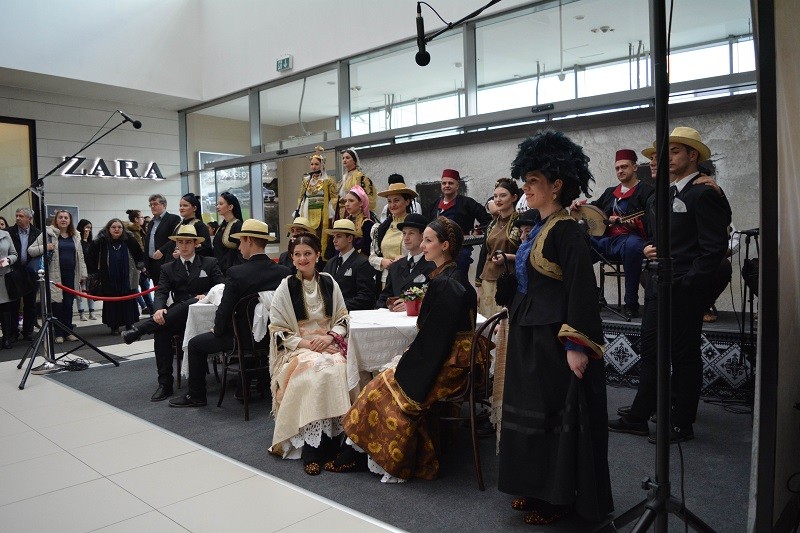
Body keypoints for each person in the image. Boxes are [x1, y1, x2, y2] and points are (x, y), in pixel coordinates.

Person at [497, 131, 612, 525]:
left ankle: (556, 498)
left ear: (557, 185)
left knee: (550, 417)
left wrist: (576, 345)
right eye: (526, 181)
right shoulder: (540, 227)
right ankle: (534, 487)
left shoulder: (567, 231)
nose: (526, 188)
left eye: (533, 181)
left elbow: (581, 289)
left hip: (552, 339)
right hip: (530, 335)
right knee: (530, 414)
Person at [329, 216, 477, 483]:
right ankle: (360, 454)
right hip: (450, 357)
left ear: (444, 246)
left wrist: (406, 372)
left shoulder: (446, 283)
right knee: (381, 380)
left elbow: (436, 343)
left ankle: (371, 457)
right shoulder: (450, 276)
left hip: (448, 364)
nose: (423, 245)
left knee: (377, 388)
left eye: (428, 240)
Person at [609, 127, 732, 444]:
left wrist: (689, 286)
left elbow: (714, 250)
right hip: (658, 285)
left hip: (684, 287)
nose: (667, 158)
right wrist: (649, 248)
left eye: (675, 151)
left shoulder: (705, 193)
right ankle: (640, 415)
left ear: (693, 155)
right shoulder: (661, 195)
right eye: (666, 153)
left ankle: (681, 422)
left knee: (684, 354)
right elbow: (657, 235)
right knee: (651, 351)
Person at [169, 220, 290, 408]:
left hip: (242, 341)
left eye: (240, 241)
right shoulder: (283, 272)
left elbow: (224, 310)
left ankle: (196, 395)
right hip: (274, 338)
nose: (239, 246)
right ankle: (246, 385)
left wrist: (217, 330)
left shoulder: (237, 273)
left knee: (194, 344)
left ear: (249, 240)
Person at [267, 232, 351, 476]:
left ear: (317, 255)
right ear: (292, 258)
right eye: (297, 254)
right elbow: (278, 329)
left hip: (329, 343)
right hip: (299, 347)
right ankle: (311, 449)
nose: (302, 259)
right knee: (315, 372)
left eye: (307, 253)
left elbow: (343, 317)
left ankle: (333, 442)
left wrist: (330, 337)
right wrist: (308, 344)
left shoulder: (329, 282)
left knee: (340, 369)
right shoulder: (286, 287)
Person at [122, 225, 224, 401]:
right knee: (161, 329)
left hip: (204, 318)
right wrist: (158, 308)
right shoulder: (168, 268)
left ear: (196, 244)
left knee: (191, 303)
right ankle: (165, 384)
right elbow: (161, 292)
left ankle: (141, 329)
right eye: (180, 242)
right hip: (178, 317)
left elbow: (221, 286)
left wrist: (207, 295)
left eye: (188, 242)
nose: (183, 246)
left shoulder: (209, 263)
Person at [573, 149, 654, 318]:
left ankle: (631, 302)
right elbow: (595, 209)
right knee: (579, 244)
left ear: (635, 167)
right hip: (607, 240)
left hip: (631, 239)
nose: (620, 171)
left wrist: (634, 224)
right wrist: (579, 206)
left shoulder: (647, 191)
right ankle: (593, 294)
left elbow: (652, 219)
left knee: (633, 247)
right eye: (617, 168)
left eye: (624, 167)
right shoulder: (611, 192)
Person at [29, 210, 87, 344]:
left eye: (66, 217)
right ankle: (59, 333)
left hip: (71, 275)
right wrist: (46, 247)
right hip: (55, 275)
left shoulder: (76, 235)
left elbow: (80, 256)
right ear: (56, 220)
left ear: (70, 220)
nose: (63, 219)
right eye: (60, 217)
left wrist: (83, 274)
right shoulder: (48, 234)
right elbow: (31, 250)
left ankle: (68, 332)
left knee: (68, 304)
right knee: (57, 305)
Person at [424, 169, 491, 276]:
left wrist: (478, 231)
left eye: (450, 183)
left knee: (458, 279)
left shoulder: (467, 203)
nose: (447, 186)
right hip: (438, 250)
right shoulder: (434, 205)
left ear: (457, 185)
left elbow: (487, 219)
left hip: (461, 250)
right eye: (444, 183)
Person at [85, 218, 145, 335]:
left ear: (123, 229)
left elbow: (139, 255)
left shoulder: (130, 240)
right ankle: (114, 326)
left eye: (119, 227)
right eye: (113, 227)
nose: (116, 229)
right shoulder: (101, 242)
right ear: (108, 229)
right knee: (112, 302)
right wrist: (94, 273)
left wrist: (140, 267)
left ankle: (129, 323)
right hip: (108, 278)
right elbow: (91, 257)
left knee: (128, 299)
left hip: (127, 277)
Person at [475, 178, 522, 317]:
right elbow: (484, 254)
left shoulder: (520, 222)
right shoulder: (491, 224)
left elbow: (528, 253)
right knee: (488, 322)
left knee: (505, 322)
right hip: (488, 279)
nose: (498, 199)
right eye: (495, 196)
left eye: (503, 195)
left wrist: (508, 257)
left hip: (510, 279)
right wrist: (479, 285)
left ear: (514, 197)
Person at [376, 213, 435, 310]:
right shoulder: (395, 266)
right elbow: (384, 297)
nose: (406, 238)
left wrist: (413, 304)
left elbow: (436, 299)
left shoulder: (433, 266)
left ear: (422, 236)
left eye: (411, 233)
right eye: (404, 233)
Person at [369, 182, 418, 289]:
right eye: (389, 201)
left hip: (409, 279)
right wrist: (382, 261)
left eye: (396, 200)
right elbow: (372, 257)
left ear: (407, 201)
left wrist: (406, 259)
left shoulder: (416, 226)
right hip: (385, 281)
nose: (392, 205)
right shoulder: (380, 229)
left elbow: (424, 252)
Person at [322, 219, 377, 311]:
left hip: (352, 313)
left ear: (350, 238)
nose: (334, 240)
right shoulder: (330, 262)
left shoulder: (362, 262)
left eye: (338, 236)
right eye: (333, 237)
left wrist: (339, 306)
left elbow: (366, 296)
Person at [295, 146, 338, 259]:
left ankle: (321, 258)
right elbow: (301, 197)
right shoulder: (306, 181)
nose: (314, 167)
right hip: (308, 213)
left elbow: (334, 198)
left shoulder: (328, 181)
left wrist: (332, 212)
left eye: (316, 164)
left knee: (321, 238)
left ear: (322, 165)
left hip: (323, 213)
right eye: (312, 164)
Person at [8, 207, 41, 341]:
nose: (17, 218)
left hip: (30, 272)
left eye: (21, 216)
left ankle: (28, 331)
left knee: (30, 304)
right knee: (13, 304)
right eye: (17, 215)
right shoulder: (9, 232)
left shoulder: (37, 233)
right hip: (13, 271)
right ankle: (13, 332)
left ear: (29, 218)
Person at [144, 194, 181, 288]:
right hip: (152, 264)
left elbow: (175, 238)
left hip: (166, 261)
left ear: (164, 205)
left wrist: (162, 250)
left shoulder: (173, 219)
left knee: (168, 290)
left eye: (155, 204)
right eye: (151, 205)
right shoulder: (151, 222)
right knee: (158, 291)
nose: (152, 206)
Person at [124, 211, 153, 316]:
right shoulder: (133, 232)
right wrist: (142, 265)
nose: (143, 219)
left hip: (140, 265)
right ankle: (148, 308)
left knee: (143, 287)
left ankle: (149, 308)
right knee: (139, 287)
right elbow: (138, 250)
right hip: (136, 265)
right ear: (136, 219)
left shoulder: (139, 230)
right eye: (141, 217)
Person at [167, 193, 212, 258]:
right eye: (180, 206)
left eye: (185, 205)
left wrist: (183, 253)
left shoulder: (200, 226)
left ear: (194, 208)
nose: (181, 208)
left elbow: (206, 247)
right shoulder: (179, 225)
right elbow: (172, 244)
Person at [337, 148, 375, 220]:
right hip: (342, 210)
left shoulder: (360, 176)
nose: (344, 160)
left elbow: (368, 196)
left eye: (347, 158)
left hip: (355, 210)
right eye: (343, 158)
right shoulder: (344, 177)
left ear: (354, 160)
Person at [212, 191, 244, 273]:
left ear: (230, 207)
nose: (217, 206)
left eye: (221, 204)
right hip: (218, 270)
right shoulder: (221, 225)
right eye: (217, 204)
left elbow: (241, 252)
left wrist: (235, 270)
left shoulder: (238, 225)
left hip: (231, 271)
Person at [342, 186, 377, 256]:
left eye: (351, 201)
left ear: (361, 203)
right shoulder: (345, 221)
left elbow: (369, 249)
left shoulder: (367, 224)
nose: (347, 204)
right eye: (346, 201)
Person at [75, 219, 98, 321]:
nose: (88, 230)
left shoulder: (91, 242)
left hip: (91, 271)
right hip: (80, 270)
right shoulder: (77, 241)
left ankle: (91, 312)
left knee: (90, 292)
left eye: (90, 228)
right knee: (80, 292)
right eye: (86, 227)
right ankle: (81, 313)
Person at [0, 226, 18, 349]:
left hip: (3, 277)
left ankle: (6, 338)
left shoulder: (5, 234)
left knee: (5, 308)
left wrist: (6, 261)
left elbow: (14, 254)